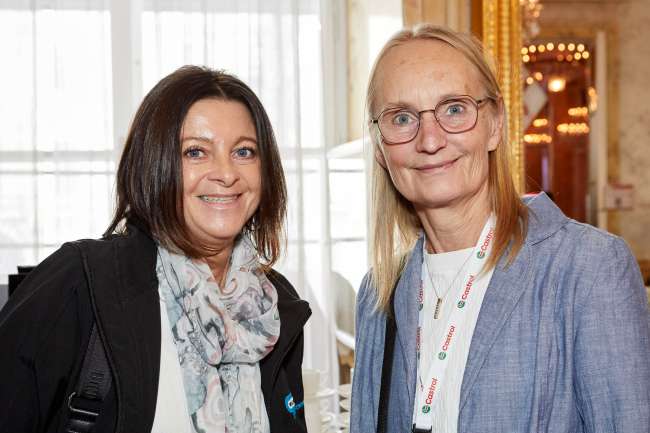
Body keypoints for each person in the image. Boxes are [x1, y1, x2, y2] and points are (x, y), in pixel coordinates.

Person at [350, 24, 650, 433]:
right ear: (380, 148)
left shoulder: (589, 270)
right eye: (402, 118)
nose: (430, 140)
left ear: (494, 124)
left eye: (454, 109)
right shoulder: (378, 293)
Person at [0, 66, 311, 433]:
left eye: (244, 151)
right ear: (154, 164)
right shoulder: (81, 282)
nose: (227, 173)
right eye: (195, 152)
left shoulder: (276, 306)